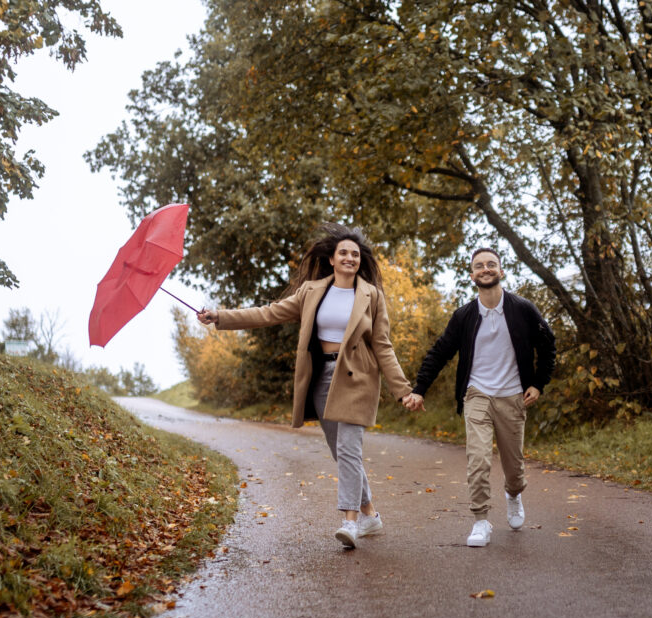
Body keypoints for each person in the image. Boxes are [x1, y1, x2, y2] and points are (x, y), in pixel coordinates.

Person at [196, 223, 417, 549]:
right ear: (331, 258)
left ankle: (350, 522)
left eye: (355, 254)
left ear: (360, 261)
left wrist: (403, 390)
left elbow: (382, 345)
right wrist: (221, 317)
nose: (350, 258)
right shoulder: (312, 291)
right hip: (321, 377)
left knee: (349, 449)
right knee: (340, 452)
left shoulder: (372, 296)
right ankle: (371, 514)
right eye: (343, 252)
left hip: (358, 377)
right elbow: (268, 313)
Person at [404, 247, 556, 547]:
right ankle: (480, 520)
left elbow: (548, 345)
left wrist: (538, 383)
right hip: (476, 395)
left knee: (514, 468)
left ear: (501, 271)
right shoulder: (464, 316)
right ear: (471, 275)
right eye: (479, 266)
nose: (485, 269)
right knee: (478, 459)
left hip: (513, 396)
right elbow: (440, 352)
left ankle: (513, 494)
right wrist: (420, 388)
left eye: (491, 264)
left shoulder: (522, 308)